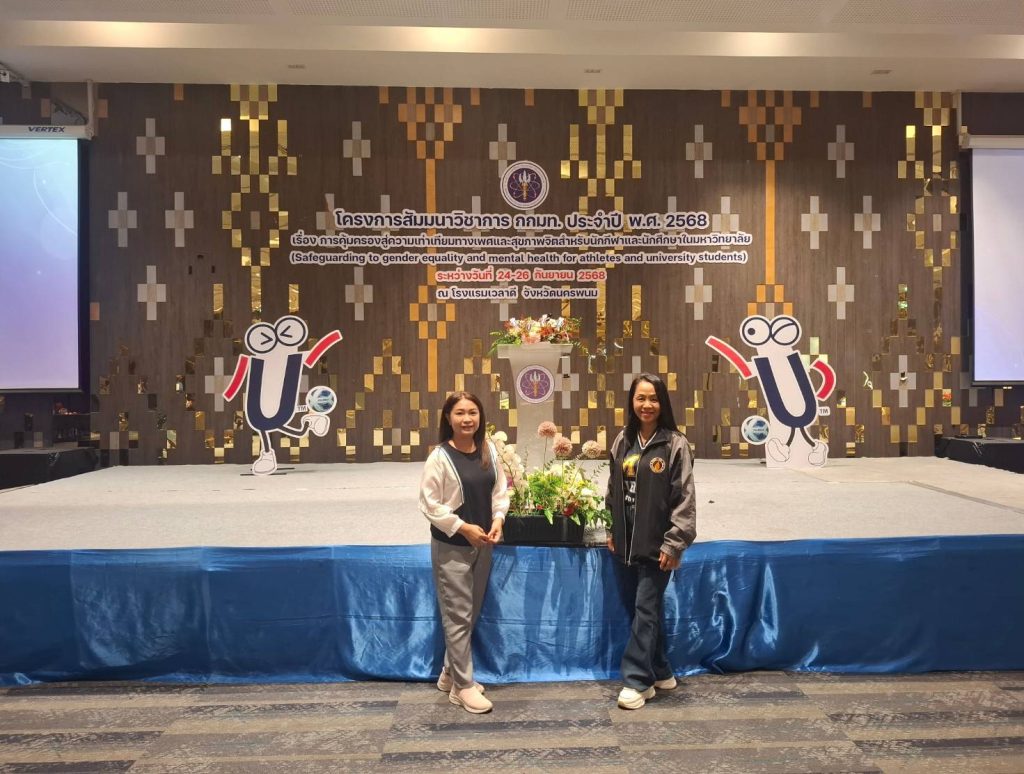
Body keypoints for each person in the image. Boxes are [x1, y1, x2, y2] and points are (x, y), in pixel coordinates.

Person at [606, 373, 696, 709]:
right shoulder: (623, 440)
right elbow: (613, 489)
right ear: (632, 401)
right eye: (640, 398)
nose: (647, 405)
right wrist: (611, 529)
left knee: (645, 609)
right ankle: (660, 670)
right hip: (626, 542)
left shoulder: (675, 444)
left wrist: (675, 543)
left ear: (663, 403)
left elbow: (685, 498)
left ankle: (637, 681)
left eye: (653, 398)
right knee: (645, 609)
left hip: (658, 545)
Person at [419, 391, 509, 714]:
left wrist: (498, 519)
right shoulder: (439, 457)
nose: (467, 419)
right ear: (448, 418)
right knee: (457, 616)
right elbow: (430, 504)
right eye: (460, 413)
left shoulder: (488, 450)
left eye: (473, 412)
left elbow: (499, 491)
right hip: (452, 548)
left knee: (470, 613)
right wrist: (462, 527)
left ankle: (449, 674)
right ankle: (463, 686)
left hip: (483, 545)